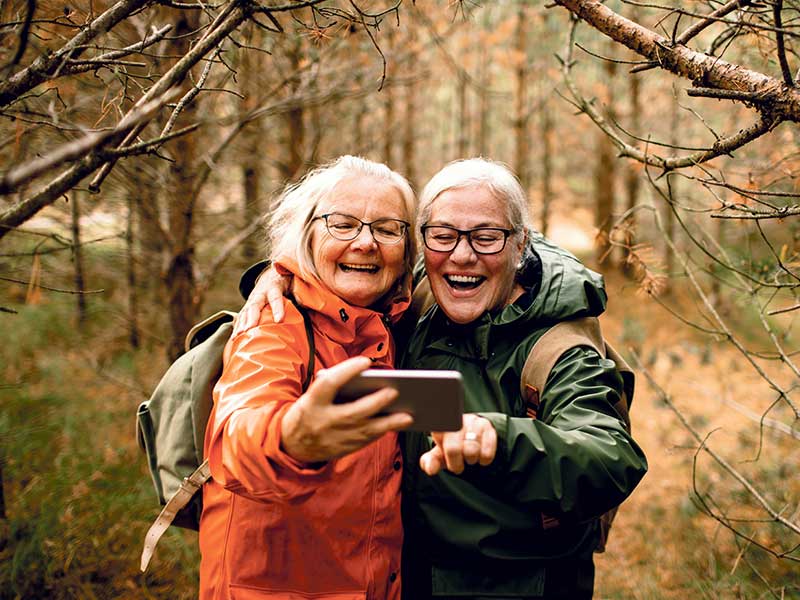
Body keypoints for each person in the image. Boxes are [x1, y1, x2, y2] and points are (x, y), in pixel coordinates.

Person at [242, 158, 648, 599]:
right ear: (423, 241)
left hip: (520, 584)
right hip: (401, 577)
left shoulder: (559, 348)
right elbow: (342, 256)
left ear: (520, 245)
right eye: (443, 235)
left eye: (487, 237)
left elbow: (612, 457)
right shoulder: (416, 300)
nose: (462, 255)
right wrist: (278, 274)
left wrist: (500, 439)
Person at [199, 155, 419, 600]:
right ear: (306, 235)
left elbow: (498, 247)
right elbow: (238, 433)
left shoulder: (397, 321)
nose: (366, 243)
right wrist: (293, 439)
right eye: (343, 224)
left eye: (387, 228)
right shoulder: (274, 324)